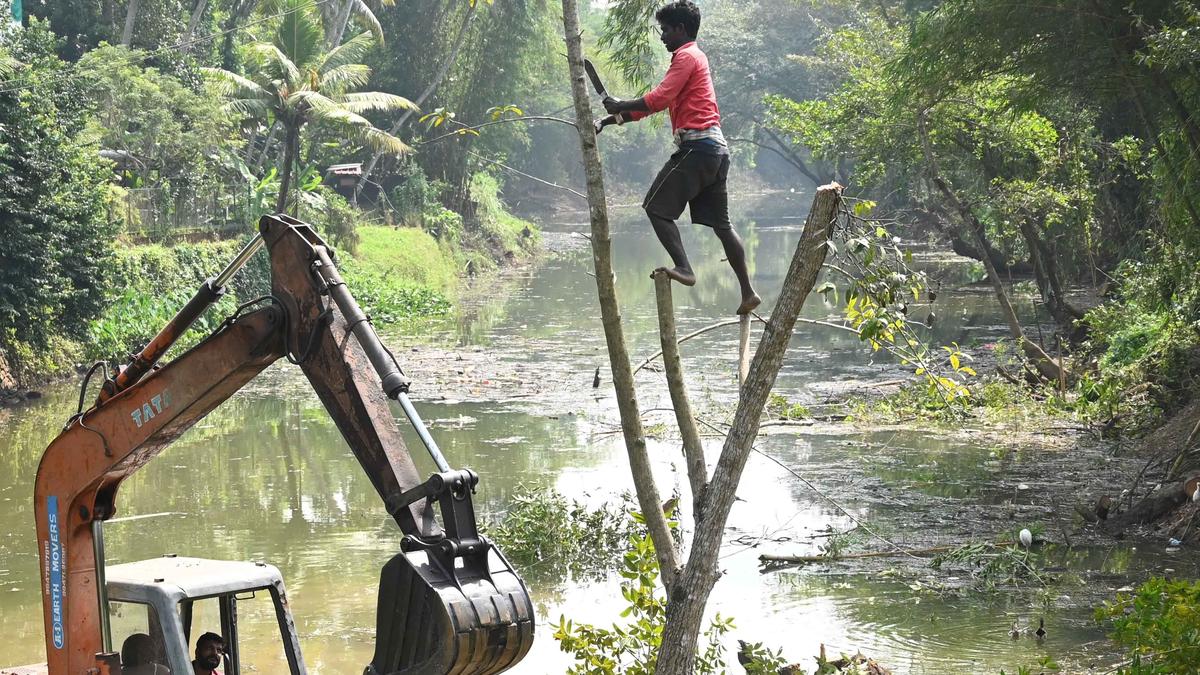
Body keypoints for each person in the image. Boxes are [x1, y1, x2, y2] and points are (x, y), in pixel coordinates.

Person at [596, 0, 761, 315]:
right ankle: (748, 292)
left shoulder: (685, 56)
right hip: (717, 150)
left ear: (681, 29)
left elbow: (658, 99)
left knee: (655, 208)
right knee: (723, 225)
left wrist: (618, 104)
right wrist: (610, 119)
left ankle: (684, 267)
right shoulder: (695, 59)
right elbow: (651, 107)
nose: (662, 37)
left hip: (697, 149)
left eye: (666, 30)